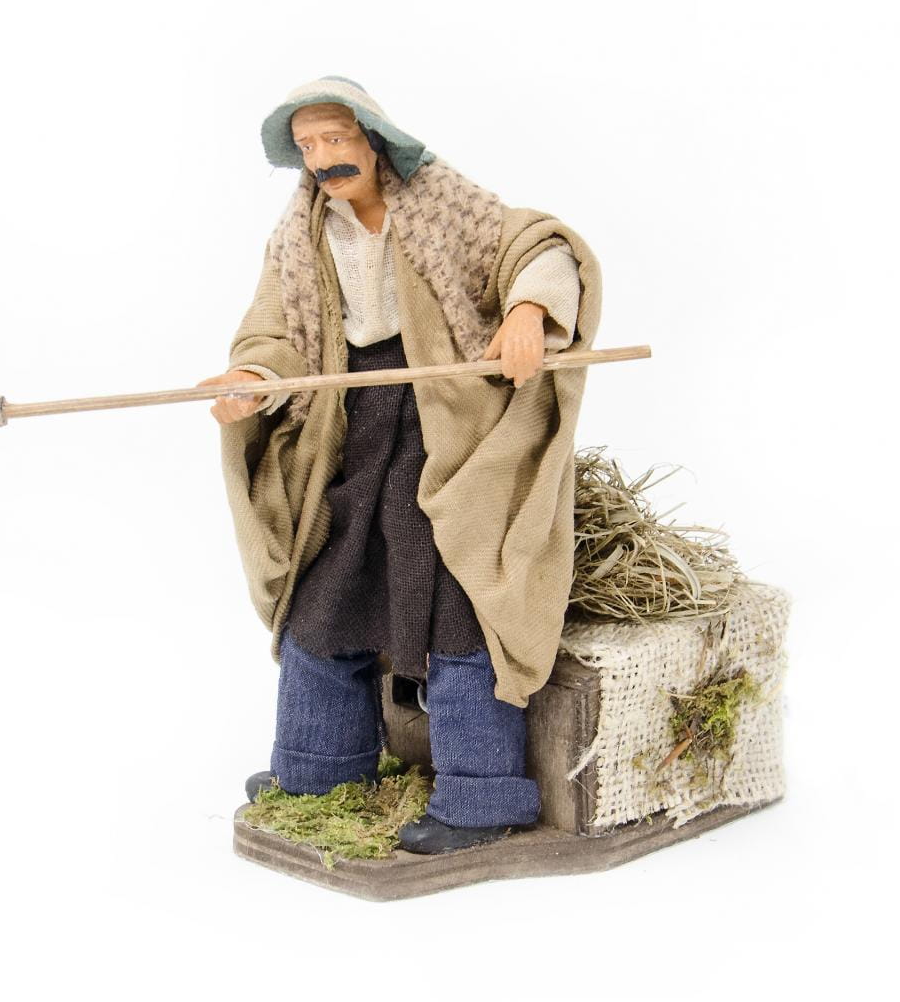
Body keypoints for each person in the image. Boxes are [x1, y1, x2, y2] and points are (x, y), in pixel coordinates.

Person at [202, 76, 601, 853]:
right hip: (350, 425)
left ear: (374, 140)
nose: (322, 158)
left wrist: (527, 313)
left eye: (335, 138)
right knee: (326, 591)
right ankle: (321, 771)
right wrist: (252, 379)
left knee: (457, 598)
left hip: (449, 428)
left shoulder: (444, 202)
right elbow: (274, 331)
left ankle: (481, 799)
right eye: (308, 146)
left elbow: (536, 247)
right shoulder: (300, 236)